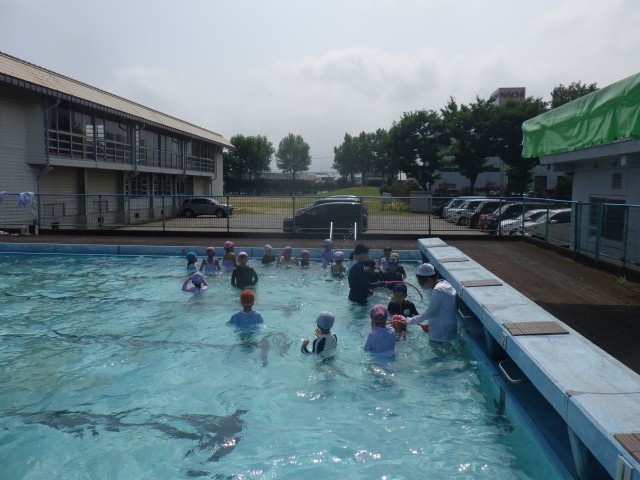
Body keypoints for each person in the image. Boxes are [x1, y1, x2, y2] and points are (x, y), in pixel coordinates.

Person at [406, 263, 457, 342]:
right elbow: (442, 310)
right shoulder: (444, 284)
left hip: (441, 334)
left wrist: (408, 321)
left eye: (421, 282)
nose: (420, 284)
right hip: (447, 328)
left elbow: (429, 313)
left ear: (428, 279)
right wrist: (431, 325)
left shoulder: (438, 290)